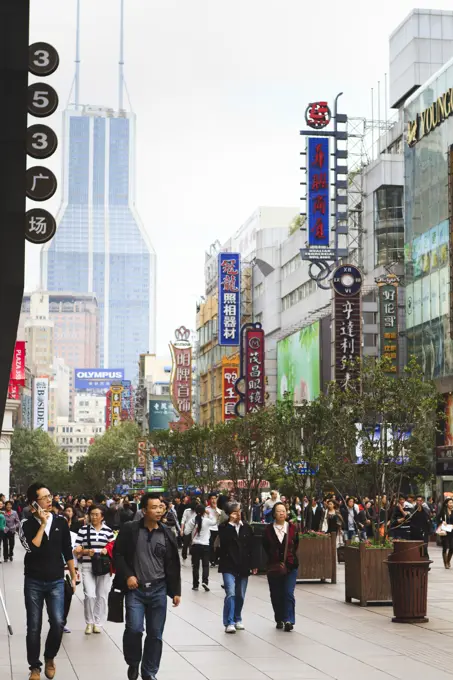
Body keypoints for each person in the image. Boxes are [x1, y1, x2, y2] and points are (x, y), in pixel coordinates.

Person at [114, 493, 181, 680]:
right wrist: (128, 575)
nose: (159, 510)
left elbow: (173, 563)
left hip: (159, 589)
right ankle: (133, 662)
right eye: (154, 507)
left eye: (161, 507)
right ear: (144, 510)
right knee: (134, 629)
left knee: (155, 634)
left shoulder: (167, 533)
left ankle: (149, 672)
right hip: (136, 590)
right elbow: (118, 555)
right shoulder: (130, 529)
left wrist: (175, 591)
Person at [19, 482, 76, 680]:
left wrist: (73, 575)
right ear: (34, 503)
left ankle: (50, 656)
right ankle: (35, 667)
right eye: (44, 498)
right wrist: (43, 524)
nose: (50, 500)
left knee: (58, 622)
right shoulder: (25, 525)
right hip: (33, 581)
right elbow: (32, 549)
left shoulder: (61, 522)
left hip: (56, 581)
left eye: (50, 496)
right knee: (34, 626)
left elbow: (67, 550)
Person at [218, 502, 258, 633]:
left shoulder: (246, 527)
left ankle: (237, 618)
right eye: (234, 512)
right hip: (228, 565)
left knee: (240, 594)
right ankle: (229, 622)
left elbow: (252, 547)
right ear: (229, 515)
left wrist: (254, 564)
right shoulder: (224, 527)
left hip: (243, 565)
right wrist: (230, 525)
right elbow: (224, 542)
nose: (238, 514)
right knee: (231, 592)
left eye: (239, 511)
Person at [74, 504, 114, 634]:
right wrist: (84, 551)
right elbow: (76, 549)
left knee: (102, 595)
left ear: (102, 516)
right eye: (92, 514)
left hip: (103, 567)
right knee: (89, 595)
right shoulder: (83, 530)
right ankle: (89, 622)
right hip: (87, 565)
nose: (94, 517)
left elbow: (114, 547)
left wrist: (106, 550)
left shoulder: (108, 531)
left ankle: (98, 622)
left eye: (97, 514)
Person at [263, 502, 299, 632]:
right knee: (276, 594)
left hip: (290, 566)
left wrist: (288, 559)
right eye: (278, 511)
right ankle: (279, 618)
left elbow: (295, 545)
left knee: (288, 593)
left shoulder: (292, 528)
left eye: (284, 511)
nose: (282, 513)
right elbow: (265, 547)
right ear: (274, 513)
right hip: (274, 567)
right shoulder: (267, 530)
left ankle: (289, 619)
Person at [184, 504, 217, 591]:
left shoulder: (192, 521)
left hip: (195, 546)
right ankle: (205, 582)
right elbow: (214, 521)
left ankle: (195, 585)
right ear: (204, 512)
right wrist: (209, 514)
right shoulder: (207, 520)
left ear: (195, 511)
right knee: (205, 565)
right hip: (205, 546)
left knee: (195, 566)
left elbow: (186, 532)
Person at [437, 498, 453, 568]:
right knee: (445, 547)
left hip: (452, 531)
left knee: (452, 547)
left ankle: (448, 561)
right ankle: (445, 563)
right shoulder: (443, 511)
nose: (451, 504)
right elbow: (437, 518)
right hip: (445, 531)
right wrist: (442, 521)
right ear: (446, 504)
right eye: (450, 503)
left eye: (452, 503)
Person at [206, 495, 221, 565]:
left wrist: (216, 509)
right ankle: (211, 560)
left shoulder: (219, 509)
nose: (213, 500)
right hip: (209, 529)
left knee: (217, 545)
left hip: (217, 529)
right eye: (212, 498)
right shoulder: (206, 509)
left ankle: (215, 559)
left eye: (215, 498)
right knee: (211, 545)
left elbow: (221, 519)